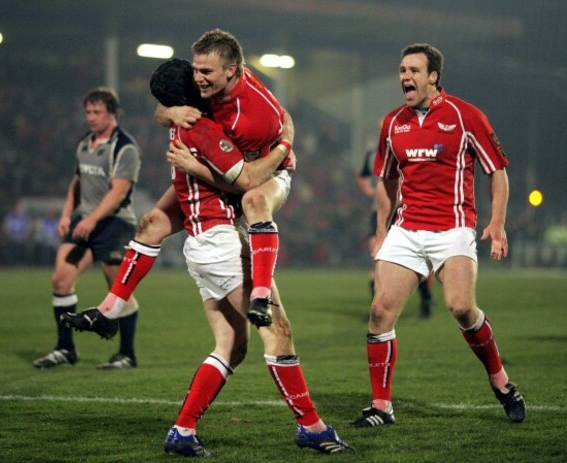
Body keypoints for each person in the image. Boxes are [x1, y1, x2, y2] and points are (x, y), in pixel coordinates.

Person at [66, 58, 353, 456]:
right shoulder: (201, 128)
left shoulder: (180, 121)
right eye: (196, 78)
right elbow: (247, 180)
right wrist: (285, 145)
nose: (202, 82)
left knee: (231, 345)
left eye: (207, 75)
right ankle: (312, 427)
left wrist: (169, 116)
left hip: (200, 247)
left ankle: (182, 432)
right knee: (278, 332)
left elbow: (165, 120)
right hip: (220, 246)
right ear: (190, 92)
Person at [65, 29, 292, 332]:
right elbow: (162, 110)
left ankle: (260, 294)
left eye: (205, 71)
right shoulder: (211, 87)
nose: (198, 78)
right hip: (233, 168)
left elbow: (247, 180)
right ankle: (110, 311)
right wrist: (173, 110)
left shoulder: (248, 119)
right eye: (196, 70)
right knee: (152, 223)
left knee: (255, 201)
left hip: (271, 167)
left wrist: (286, 144)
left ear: (231, 71)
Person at [349, 43, 525, 428]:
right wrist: (381, 229)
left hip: (453, 227)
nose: (404, 77)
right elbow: (387, 178)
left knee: (462, 307)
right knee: (379, 312)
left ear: (433, 77)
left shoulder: (466, 116)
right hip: (407, 229)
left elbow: (497, 170)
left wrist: (496, 223)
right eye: (401, 70)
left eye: (413, 70)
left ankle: (501, 382)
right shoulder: (392, 122)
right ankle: (381, 407)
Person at [32, 88, 141, 370]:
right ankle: (65, 348)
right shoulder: (85, 144)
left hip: (115, 224)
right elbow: (76, 183)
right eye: (88, 112)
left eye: (97, 112)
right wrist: (67, 214)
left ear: (112, 114)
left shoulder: (124, 147)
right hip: (84, 222)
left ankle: (126, 354)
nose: (90, 118)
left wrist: (92, 220)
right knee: (61, 279)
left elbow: (119, 192)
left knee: (118, 290)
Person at [356, 135, 433, 318]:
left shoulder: (412, 149)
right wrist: (369, 190)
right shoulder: (374, 152)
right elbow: (363, 176)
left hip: (405, 212)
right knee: (378, 259)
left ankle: (425, 300)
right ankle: (378, 308)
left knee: (415, 261)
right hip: (380, 212)